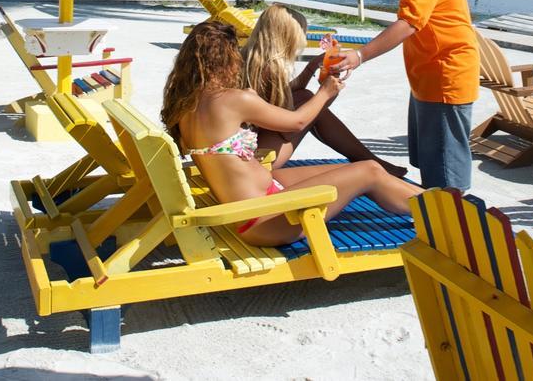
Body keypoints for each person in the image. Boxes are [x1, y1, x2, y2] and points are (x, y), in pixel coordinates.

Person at [163, 21, 421, 247]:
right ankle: (442, 209)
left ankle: (431, 201)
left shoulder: (187, 105)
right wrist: (326, 92)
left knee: (360, 169)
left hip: (255, 204)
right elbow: (297, 122)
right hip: (264, 220)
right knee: (369, 171)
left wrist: (310, 74)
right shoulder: (231, 100)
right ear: (227, 59)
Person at [332, 0, 479, 190]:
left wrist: (359, 56)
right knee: (434, 165)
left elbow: (409, 23)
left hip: (443, 75)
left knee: (446, 178)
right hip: (433, 74)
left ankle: (447, 233)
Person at [242, 4, 406, 176]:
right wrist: (325, 94)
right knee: (309, 102)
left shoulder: (252, 60)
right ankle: (370, 161)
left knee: (305, 97)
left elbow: (282, 96)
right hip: (258, 160)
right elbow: (291, 128)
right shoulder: (271, 70)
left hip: (247, 147)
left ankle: (367, 159)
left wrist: (311, 68)